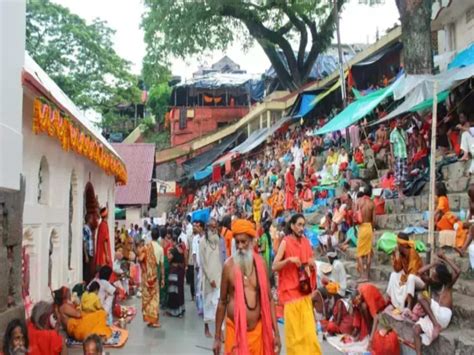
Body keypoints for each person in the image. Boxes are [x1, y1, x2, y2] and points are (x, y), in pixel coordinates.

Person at [213, 219, 280, 355]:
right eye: (237, 242)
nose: (240, 246)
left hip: (257, 334)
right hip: (234, 332)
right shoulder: (228, 266)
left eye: (244, 242)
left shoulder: (260, 264)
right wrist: (217, 337)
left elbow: (269, 300)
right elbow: (222, 302)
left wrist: (277, 334)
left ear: (252, 241)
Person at [273, 214, 321, 355]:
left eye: (303, 225)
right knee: (294, 339)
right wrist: (288, 261)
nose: (301, 228)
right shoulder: (285, 242)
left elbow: (310, 262)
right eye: (299, 225)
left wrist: (312, 265)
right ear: (292, 226)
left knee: (309, 335)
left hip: (304, 293)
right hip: (290, 295)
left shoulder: (306, 242)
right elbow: (275, 266)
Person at [413, 251, 460, 355]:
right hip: (435, 317)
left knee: (421, 297)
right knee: (416, 329)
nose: (432, 276)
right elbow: (419, 272)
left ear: (440, 278)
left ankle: (436, 326)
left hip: (442, 317)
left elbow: (458, 271)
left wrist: (445, 257)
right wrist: (434, 264)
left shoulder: (447, 286)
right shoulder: (433, 283)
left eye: (435, 275)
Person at [386, 233, 424, 310]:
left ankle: (409, 307)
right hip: (408, 277)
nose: (396, 246)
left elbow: (413, 272)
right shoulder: (401, 253)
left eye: (398, 244)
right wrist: (395, 257)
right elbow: (398, 269)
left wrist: (402, 281)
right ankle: (392, 302)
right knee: (393, 275)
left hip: (419, 280)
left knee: (411, 277)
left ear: (402, 245)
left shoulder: (412, 252)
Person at [200, 218, 223, 337]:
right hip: (209, 279)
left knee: (218, 304)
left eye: (215, 227)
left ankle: (219, 331)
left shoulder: (218, 240)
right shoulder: (203, 241)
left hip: (219, 277)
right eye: (211, 227)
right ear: (207, 228)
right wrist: (210, 278)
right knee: (208, 303)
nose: (214, 229)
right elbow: (203, 263)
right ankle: (206, 328)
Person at [137, 227, 164, 328]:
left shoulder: (146, 247)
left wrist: (144, 270)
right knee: (155, 298)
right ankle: (154, 321)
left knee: (147, 298)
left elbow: (140, 259)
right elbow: (161, 266)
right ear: (158, 236)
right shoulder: (160, 249)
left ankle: (150, 320)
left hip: (145, 277)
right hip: (154, 276)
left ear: (151, 235)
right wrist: (163, 280)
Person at [435, 182, 468, 251]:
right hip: (447, 219)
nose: (435, 191)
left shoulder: (442, 198)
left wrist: (432, 218)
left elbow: (438, 210)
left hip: (446, 220)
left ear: (438, 190)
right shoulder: (444, 197)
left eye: (435, 189)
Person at [355, 186, 375, 282]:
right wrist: (373, 229)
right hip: (369, 227)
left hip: (362, 227)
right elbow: (374, 220)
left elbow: (355, 217)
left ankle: (363, 276)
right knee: (368, 252)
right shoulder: (372, 203)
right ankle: (367, 274)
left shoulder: (359, 202)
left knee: (359, 253)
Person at [166, 236, 186, 317]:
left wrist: (168, 253)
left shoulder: (173, 250)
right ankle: (181, 310)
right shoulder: (181, 248)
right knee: (180, 290)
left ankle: (174, 311)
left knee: (173, 291)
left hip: (174, 271)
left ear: (173, 241)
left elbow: (169, 259)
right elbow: (185, 258)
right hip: (180, 271)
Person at [390, 118, 408, 197]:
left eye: (400, 123)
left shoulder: (403, 132)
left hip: (404, 155)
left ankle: (402, 192)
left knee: (403, 175)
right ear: (395, 123)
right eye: (398, 123)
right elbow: (391, 145)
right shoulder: (393, 133)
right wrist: (393, 156)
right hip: (398, 156)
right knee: (398, 175)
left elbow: (406, 144)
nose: (400, 124)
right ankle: (399, 193)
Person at [83, 213, 95, 284]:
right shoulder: (85, 228)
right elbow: (84, 241)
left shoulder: (89, 228)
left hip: (90, 252)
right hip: (87, 252)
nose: (92, 220)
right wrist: (86, 255)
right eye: (91, 218)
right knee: (86, 271)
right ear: (88, 219)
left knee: (89, 270)